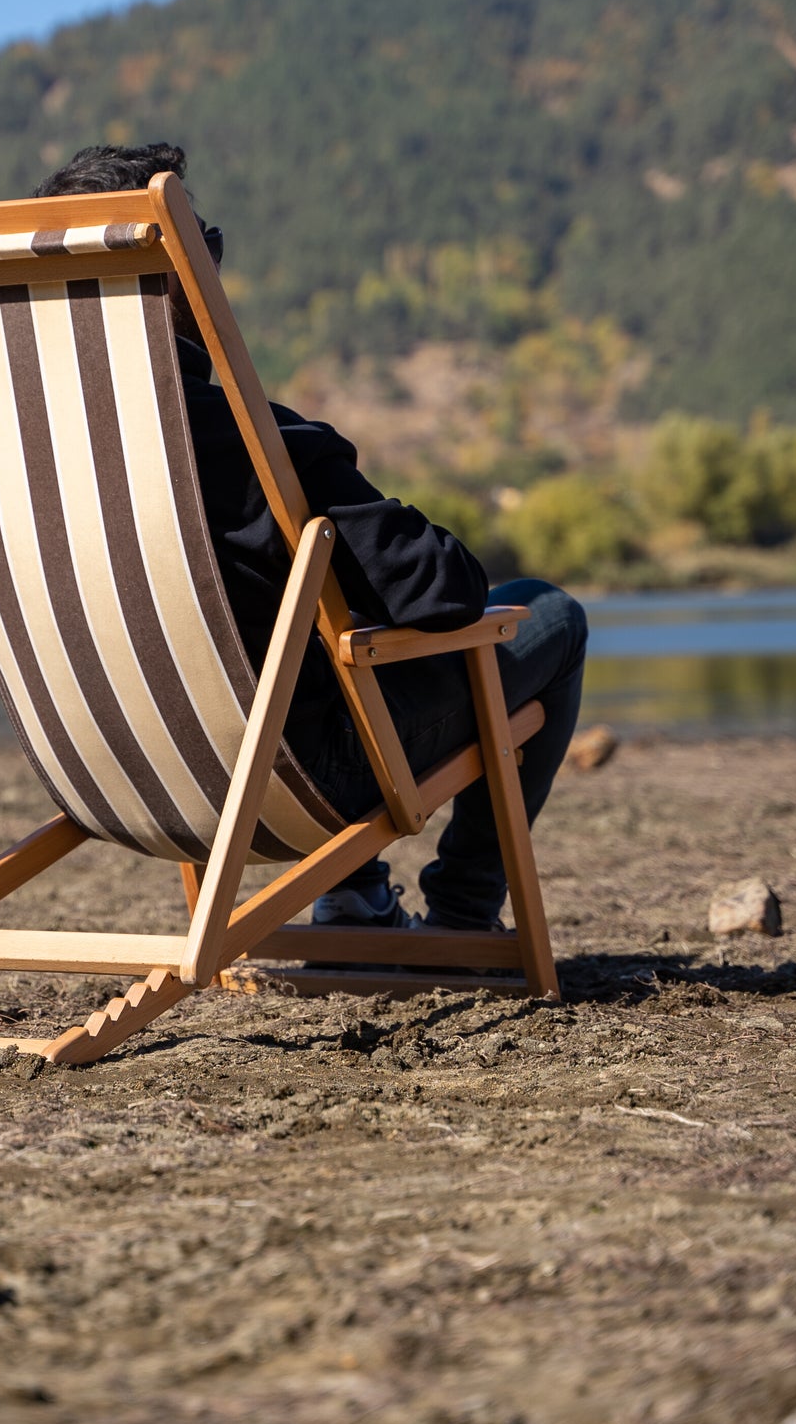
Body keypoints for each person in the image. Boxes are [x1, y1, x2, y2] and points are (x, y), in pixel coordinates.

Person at [34, 142, 587, 936]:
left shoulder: (8, 457)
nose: (216, 266)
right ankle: (465, 912)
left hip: (109, 773)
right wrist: (324, 460)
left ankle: (355, 893)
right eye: (205, 245)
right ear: (174, 276)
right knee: (548, 612)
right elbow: (445, 592)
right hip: (289, 780)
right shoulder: (251, 447)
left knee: (290, 629)